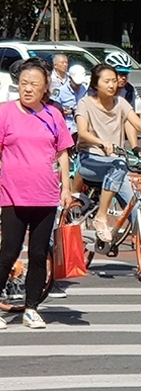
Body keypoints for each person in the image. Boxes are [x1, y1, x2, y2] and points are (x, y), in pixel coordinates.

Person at [0, 59, 73, 329]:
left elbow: (63, 153)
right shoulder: (5, 113)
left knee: (39, 253)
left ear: (45, 89)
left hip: (46, 195)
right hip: (12, 195)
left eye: (34, 85)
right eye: (23, 84)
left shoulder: (53, 116)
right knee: (8, 253)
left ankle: (31, 308)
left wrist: (66, 188)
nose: (28, 89)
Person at [75, 64, 141, 243]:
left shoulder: (121, 103)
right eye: (106, 81)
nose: (112, 85)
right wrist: (101, 142)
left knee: (134, 205)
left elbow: (138, 124)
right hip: (89, 160)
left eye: (114, 81)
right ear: (95, 84)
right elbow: (82, 132)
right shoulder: (85, 103)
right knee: (118, 166)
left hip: (115, 163)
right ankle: (100, 217)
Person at [51, 64, 88, 144]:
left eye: (80, 84)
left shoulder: (85, 89)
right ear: (70, 78)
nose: (78, 86)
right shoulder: (60, 91)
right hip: (67, 128)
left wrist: (73, 111)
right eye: (76, 83)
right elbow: (53, 109)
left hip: (82, 127)